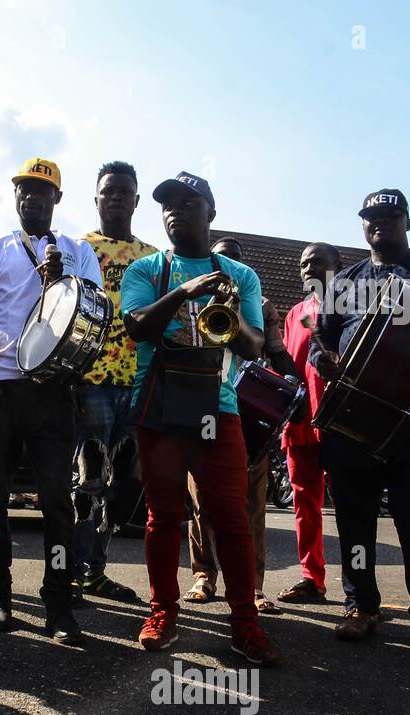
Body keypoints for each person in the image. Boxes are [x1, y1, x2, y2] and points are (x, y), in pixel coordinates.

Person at [120, 171, 280, 665]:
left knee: (231, 519)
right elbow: (136, 327)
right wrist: (185, 292)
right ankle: (162, 612)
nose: (175, 212)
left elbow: (254, 345)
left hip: (219, 407)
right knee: (163, 518)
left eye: (188, 204)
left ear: (210, 211)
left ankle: (245, 626)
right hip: (159, 407)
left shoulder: (241, 275)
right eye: (167, 205)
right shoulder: (145, 270)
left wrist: (226, 314)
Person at [310, 189, 410, 652]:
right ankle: (361, 606)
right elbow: (321, 337)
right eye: (370, 217)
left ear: (408, 222)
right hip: (354, 417)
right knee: (355, 518)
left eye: (389, 216)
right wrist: (328, 361)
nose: (379, 223)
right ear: (362, 225)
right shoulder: (344, 282)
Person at [0, 158, 101, 644]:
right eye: (25, 190)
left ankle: (58, 602)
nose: (33, 199)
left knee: (57, 503)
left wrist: (64, 281)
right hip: (1, 390)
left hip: (53, 391)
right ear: (16, 196)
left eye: (43, 192)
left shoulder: (79, 251)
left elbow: (94, 314)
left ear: (57, 200)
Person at [183, 235, 298, 614]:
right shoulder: (195, 299)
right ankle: (204, 576)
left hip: (250, 419)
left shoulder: (256, 304)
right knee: (201, 500)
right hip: (205, 406)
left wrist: (273, 333)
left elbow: (286, 372)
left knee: (252, 506)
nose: (225, 268)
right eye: (219, 260)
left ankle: (254, 587)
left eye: (232, 261)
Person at [72, 161, 156, 602]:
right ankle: (71, 572)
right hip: (93, 381)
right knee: (87, 480)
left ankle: (95, 571)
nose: (118, 197)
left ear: (137, 200)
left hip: (139, 384)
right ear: (97, 198)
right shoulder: (79, 248)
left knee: (122, 487)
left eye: (126, 191)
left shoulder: (154, 257)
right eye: (110, 191)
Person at [277, 242, 340, 603]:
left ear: (338, 266)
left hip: (339, 421)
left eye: (317, 263)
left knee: (349, 504)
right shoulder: (295, 314)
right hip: (300, 424)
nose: (308, 270)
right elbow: (287, 367)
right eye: (303, 264)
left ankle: (359, 590)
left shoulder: (352, 309)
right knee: (305, 504)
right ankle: (311, 578)